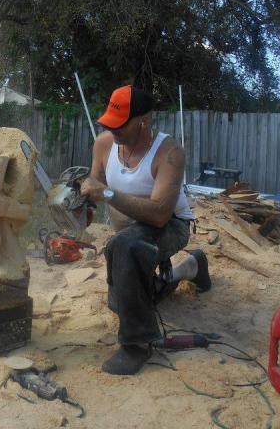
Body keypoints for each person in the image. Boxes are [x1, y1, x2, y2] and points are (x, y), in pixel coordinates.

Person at [80, 85, 211, 375]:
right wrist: (84, 203)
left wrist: (108, 194)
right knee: (122, 303)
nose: (113, 130)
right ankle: (190, 267)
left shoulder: (169, 152)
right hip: (130, 232)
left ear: (143, 120)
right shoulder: (104, 144)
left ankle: (137, 344)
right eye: (110, 124)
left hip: (170, 225)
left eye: (120, 125)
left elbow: (160, 215)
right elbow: (95, 183)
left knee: (125, 247)